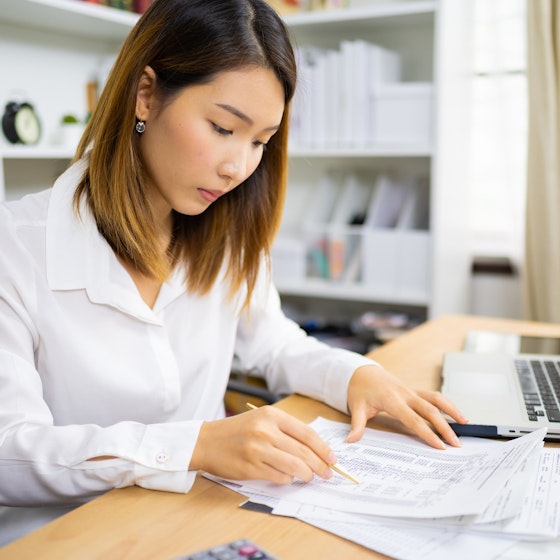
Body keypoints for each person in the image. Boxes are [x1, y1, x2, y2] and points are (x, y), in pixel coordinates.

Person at [0, 0, 467, 545]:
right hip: (68, 540)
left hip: (197, 520)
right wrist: (196, 444)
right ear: (145, 93)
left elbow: (273, 345)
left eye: (260, 142)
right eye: (223, 127)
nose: (238, 168)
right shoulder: (18, 248)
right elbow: (11, 452)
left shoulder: (222, 231)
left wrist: (355, 375)